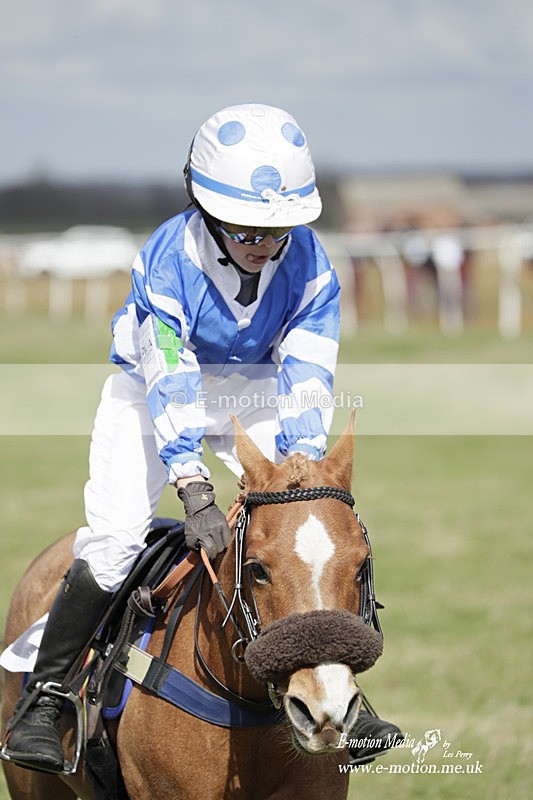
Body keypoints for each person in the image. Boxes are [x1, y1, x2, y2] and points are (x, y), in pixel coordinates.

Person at [3, 103, 401, 772]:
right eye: (247, 228)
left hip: (250, 391)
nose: (263, 243)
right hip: (148, 394)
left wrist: (302, 461)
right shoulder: (167, 258)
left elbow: (307, 366)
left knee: (309, 528)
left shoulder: (310, 260)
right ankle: (43, 699)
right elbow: (170, 373)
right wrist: (190, 483)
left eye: (277, 229)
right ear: (204, 203)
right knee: (114, 542)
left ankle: (342, 701)